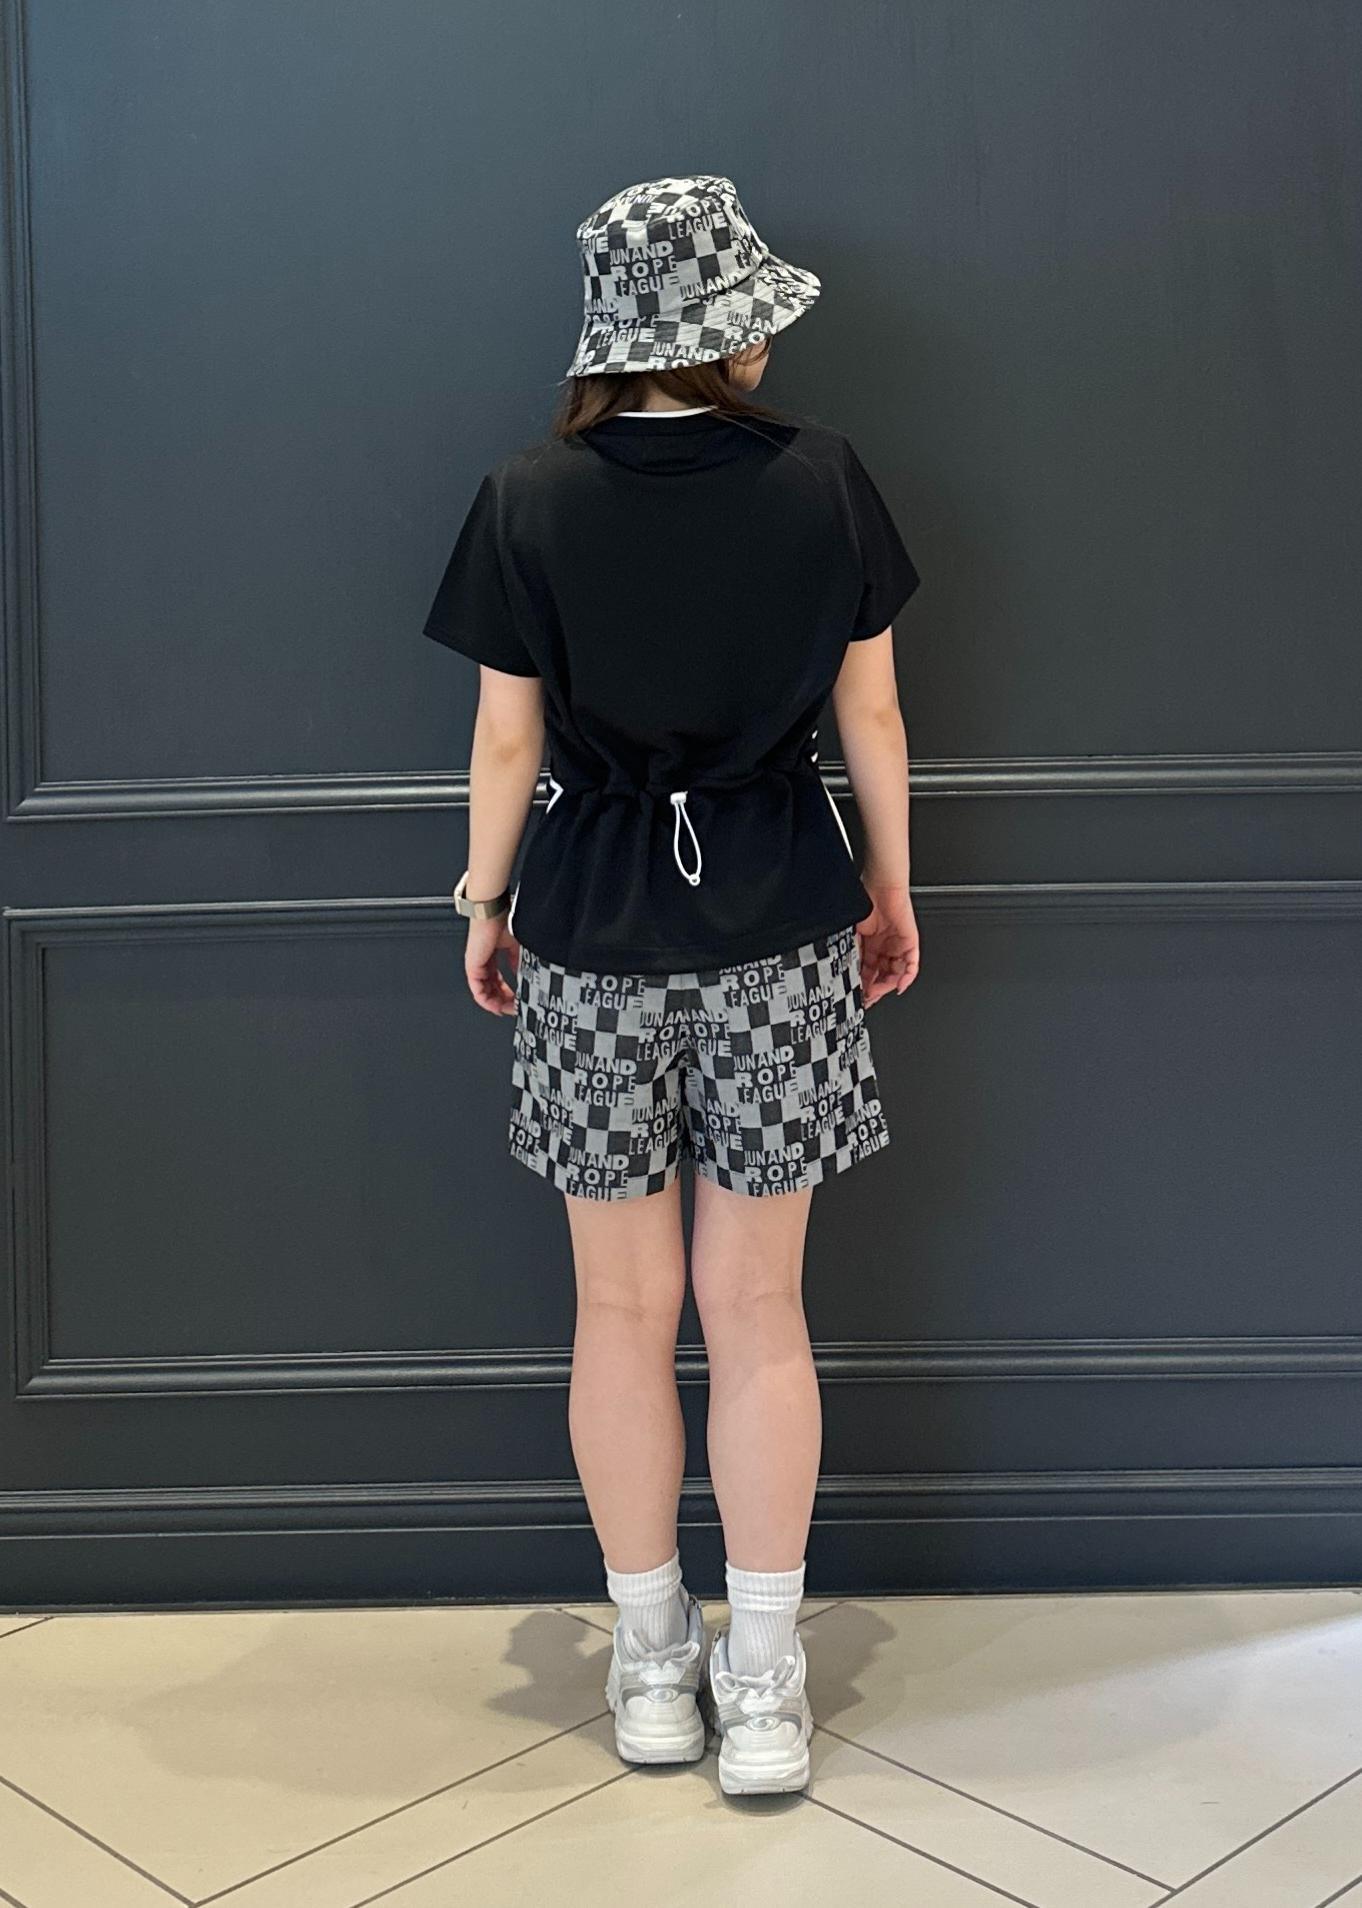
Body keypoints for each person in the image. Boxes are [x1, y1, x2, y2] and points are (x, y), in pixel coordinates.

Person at [422, 174, 920, 1797]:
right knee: (759, 1311)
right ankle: (761, 1685)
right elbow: (871, 719)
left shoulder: (525, 496)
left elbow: (506, 738)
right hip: (780, 914)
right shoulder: (823, 481)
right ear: (732, 332)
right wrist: (889, 888)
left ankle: (651, 1662)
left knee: (619, 1314)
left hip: (586, 929)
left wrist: (484, 901)